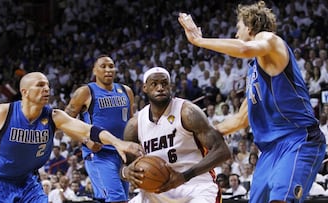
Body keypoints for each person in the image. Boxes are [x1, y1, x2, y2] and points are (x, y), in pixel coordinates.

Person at [178, 1, 326, 202]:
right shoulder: (254, 71)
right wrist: (202, 135)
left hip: (298, 140)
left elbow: (246, 48)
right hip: (269, 151)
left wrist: (199, 40)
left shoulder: (270, 41)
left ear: (249, 27)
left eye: (238, 28)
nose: (236, 33)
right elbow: (240, 119)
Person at [0, 72, 143, 202]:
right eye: (40, 85)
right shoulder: (3, 112)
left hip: (28, 181)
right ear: (25, 92)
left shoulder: (54, 116)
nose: (46, 89)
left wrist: (119, 143)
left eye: (47, 85)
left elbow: (88, 130)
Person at [121, 67, 231, 203]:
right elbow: (125, 166)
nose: (160, 88)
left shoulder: (187, 112)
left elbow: (223, 151)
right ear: (145, 88)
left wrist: (184, 176)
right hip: (157, 190)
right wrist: (126, 172)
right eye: (154, 84)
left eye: (164, 83)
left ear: (170, 86)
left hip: (195, 186)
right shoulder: (135, 125)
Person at [65, 55, 135, 203]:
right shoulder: (85, 92)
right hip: (99, 154)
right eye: (103, 66)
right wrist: (85, 140)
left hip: (122, 153)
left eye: (111, 66)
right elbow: (64, 122)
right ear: (94, 70)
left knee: (121, 198)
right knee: (116, 199)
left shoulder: (126, 91)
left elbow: (131, 123)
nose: (108, 70)